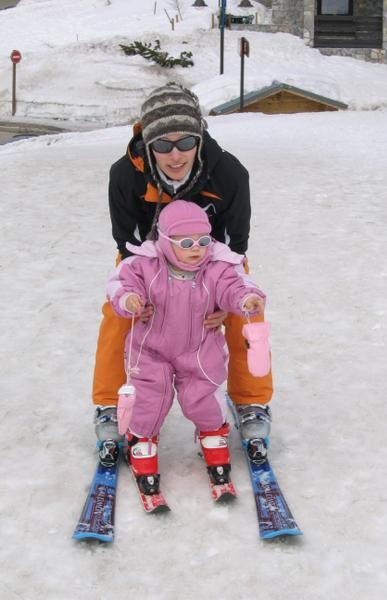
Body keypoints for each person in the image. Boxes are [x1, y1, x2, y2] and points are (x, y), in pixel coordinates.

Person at [93, 82, 273, 445]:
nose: (175, 156)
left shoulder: (230, 174)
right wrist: (139, 295)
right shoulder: (125, 175)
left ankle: (252, 400)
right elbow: (127, 245)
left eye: (186, 143)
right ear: (148, 143)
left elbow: (235, 247)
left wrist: (223, 300)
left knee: (247, 312)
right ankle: (111, 403)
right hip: (147, 257)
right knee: (118, 316)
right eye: (162, 145)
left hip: (213, 256)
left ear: (199, 139)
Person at [106, 201, 266, 493]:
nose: (197, 249)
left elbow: (235, 285)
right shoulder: (144, 264)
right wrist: (128, 299)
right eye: (187, 243)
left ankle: (212, 435)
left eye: (204, 241)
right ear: (165, 242)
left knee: (203, 396)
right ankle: (141, 440)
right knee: (149, 397)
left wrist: (246, 300)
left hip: (200, 349)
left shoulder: (217, 267)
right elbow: (120, 283)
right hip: (150, 348)